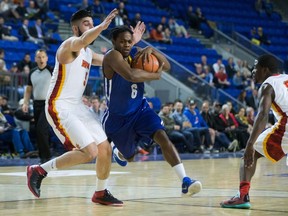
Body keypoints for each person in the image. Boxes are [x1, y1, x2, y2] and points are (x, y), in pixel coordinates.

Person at [26, 9, 146, 206]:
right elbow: (81, 41)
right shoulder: (69, 46)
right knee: (89, 152)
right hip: (59, 106)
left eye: (92, 23)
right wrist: (101, 27)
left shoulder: (88, 53)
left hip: (77, 107)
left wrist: (133, 42)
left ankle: (100, 192)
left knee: (104, 148)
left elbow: (113, 59)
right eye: (87, 24)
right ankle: (39, 170)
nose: (91, 26)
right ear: (76, 28)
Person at [102, 25, 202, 197]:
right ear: (114, 42)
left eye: (128, 41)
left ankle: (185, 180)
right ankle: (120, 151)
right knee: (130, 156)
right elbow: (132, 75)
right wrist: (155, 76)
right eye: (122, 42)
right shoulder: (112, 56)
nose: (126, 45)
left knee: (163, 137)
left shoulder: (136, 52)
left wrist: (152, 50)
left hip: (140, 109)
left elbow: (167, 65)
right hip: (118, 118)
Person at [220, 54, 287, 209]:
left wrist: (250, 144)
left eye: (255, 68)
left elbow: (263, 115)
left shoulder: (267, 84)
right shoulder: (285, 78)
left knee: (250, 153)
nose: (252, 72)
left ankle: (243, 196)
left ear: (264, 70)